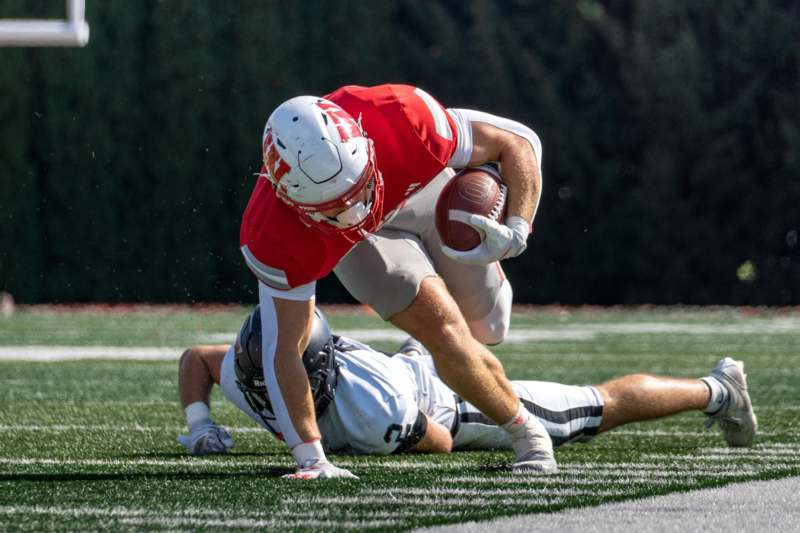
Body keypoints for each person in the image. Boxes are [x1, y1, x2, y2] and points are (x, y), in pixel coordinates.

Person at [239, 83, 551, 479]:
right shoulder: (272, 235)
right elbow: (283, 350)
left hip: (413, 190)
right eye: (335, 207)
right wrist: (311, 458)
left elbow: (518, 143)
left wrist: (518, 227)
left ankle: (418, 354)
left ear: (365, 144)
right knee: (445, 331)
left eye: (357, 191)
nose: (356, 211)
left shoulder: (401, 116)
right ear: (288, 198)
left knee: (490, 327)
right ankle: (527, 434)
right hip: (355, 244)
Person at [177, 307, 758, 469]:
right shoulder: (255, 369)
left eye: (286, 377)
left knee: (592, 408)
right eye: (265, 376)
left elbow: (438, 439)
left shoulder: (372, 410)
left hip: (444, 402)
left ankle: (718, 388)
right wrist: (200, 425)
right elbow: (197, 359)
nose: (272, 389)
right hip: (402, 369)